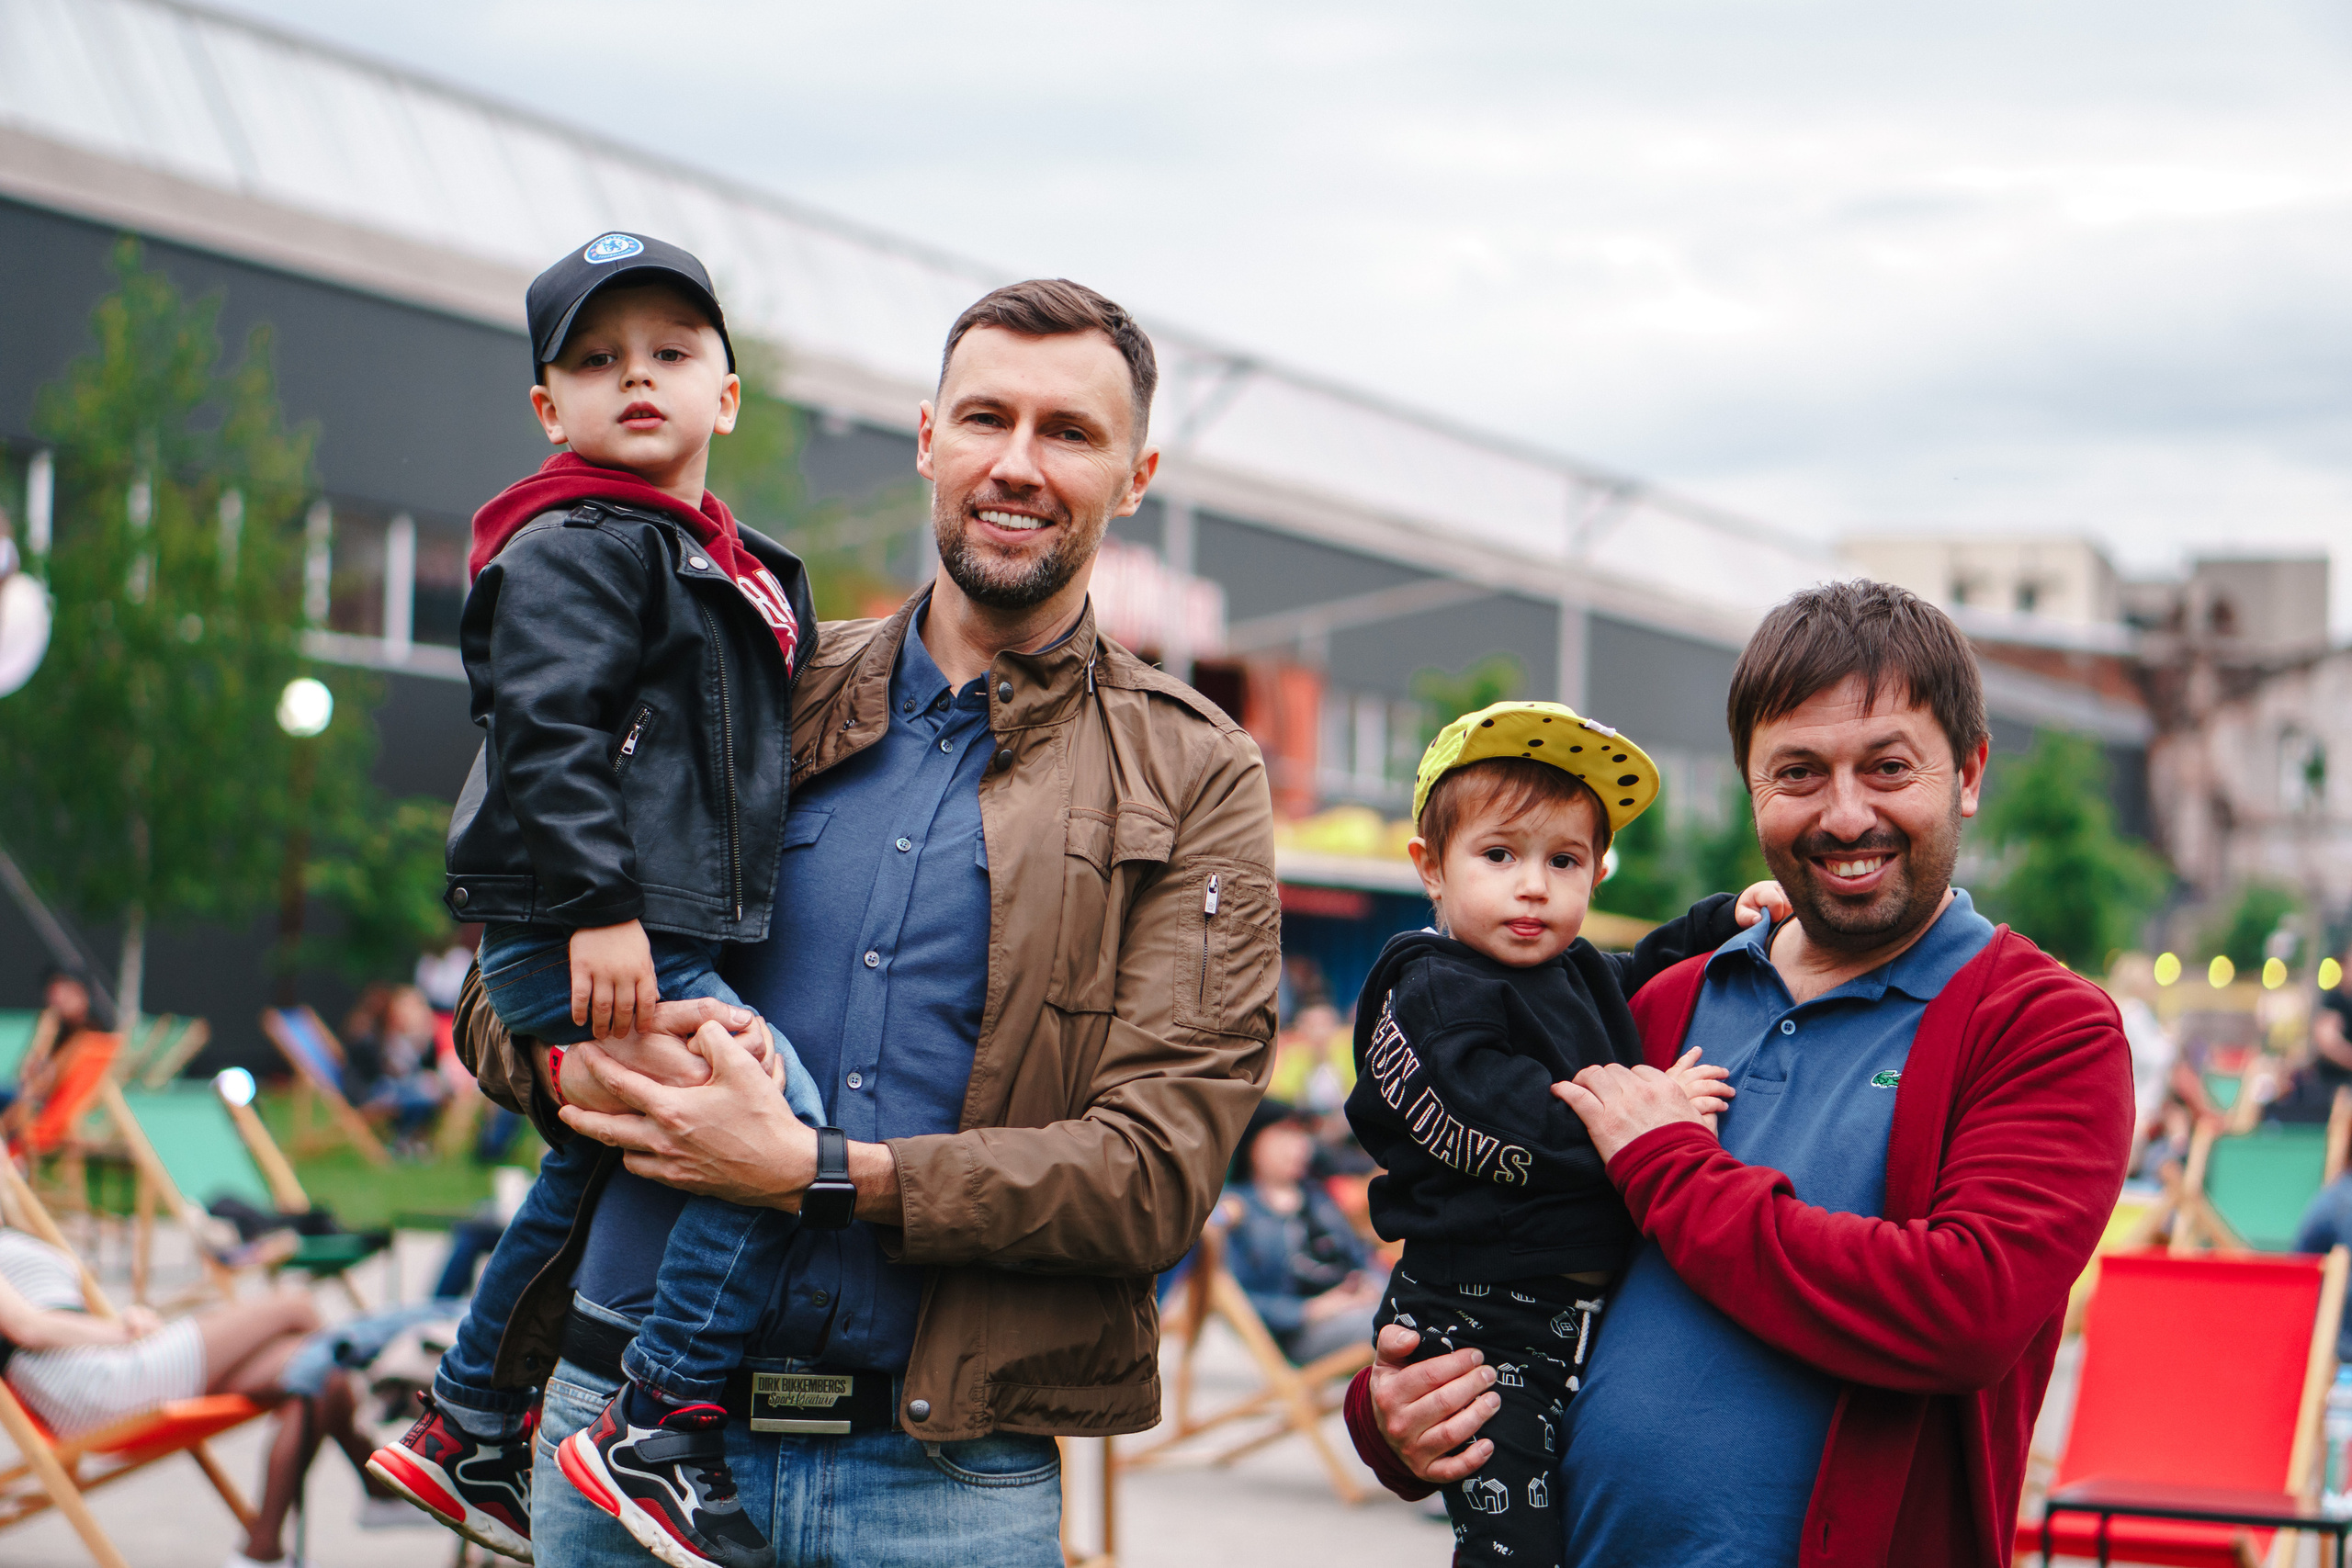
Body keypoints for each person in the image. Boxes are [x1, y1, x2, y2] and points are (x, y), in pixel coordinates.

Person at [450, 276, 1277, 1568]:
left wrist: (816, 1173)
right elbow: (499, 981)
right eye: (985, 417)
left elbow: (1156, 1168)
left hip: (939, 1479)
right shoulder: (740, 670)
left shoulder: (1198, 774)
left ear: (1135, 475)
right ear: (926, 437)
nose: (1017, 463)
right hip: (607, 1438)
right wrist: (598, 1070)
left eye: (1069, 432)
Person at [1349, 579, 2133, 1568]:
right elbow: (1500, 1230)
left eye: (1888, 766)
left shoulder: (2040, 1024)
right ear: (1750, 785)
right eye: (1798, 773)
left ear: (1968, 774)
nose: (1845, 815)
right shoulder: (1661, 1003)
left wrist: (1669, 1165)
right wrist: (1395, 1413)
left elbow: (1962, 1312)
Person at [368, 231, 827, 1568]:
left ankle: (463, 1420)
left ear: (725, 393)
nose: (639, 379)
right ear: (547, 407)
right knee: (773, 1119)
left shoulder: (724, 557)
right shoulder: (577, 539)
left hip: (642, 921)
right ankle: (660, 1418)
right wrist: (599, 908)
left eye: (673, 354)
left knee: (587, 1161)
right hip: (598, 926)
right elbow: (547, 732)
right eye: (597, 359)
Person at [1346, 699, 1779, 1567]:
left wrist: (1723, 919)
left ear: (1597, 871)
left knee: (1571, 1526)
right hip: (1475, 1319)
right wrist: (1644, 1117)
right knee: (1515, 1544)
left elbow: (1642, 967)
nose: (1534, 884)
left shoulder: (1565, 968)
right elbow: (1490, 1110)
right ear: (1431, 867)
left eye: (1564, 859)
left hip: (1566, 1316)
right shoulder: (1430, 989)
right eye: (1499, 854)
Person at [0, 1224, 384, 1567]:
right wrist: (119, 1332)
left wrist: (124, 1323)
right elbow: (25, 1328)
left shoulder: (16, 1223)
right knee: (296, 1307)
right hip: (96, 1386)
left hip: (106, 1366)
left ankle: (259, 1554)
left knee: (323, 1376)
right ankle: (376, 1474)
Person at [1223, 1100, 1384, 1364]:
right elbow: (1235, 1303)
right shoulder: (1236, 1210)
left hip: (1357, 1307)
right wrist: (1311, 1310)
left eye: (1302, 1135)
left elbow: (1361, 1257)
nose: (1299, 1146)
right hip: (1301, 1332)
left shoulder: (1317, 1198)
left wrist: (1371, 1284)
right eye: (1285, 1134)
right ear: (1252, 1141)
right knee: (1401, 1324)